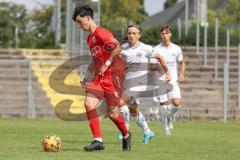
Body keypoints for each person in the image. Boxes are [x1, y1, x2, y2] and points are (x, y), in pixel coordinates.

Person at [72, 5, 131, 151]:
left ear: (89, 18)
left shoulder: (101, 33)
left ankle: (126, 134)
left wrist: (108, 63)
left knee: (112, 113)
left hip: (113, 76)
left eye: (80, 22)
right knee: (89, 103)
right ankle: (98, 141)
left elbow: (117, 47)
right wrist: (86, 76)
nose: (79, 26)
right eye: (77, 23)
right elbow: (95, 60)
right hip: (100, 77)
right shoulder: (90, 39)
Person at [118, 24, 171, 143]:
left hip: (140, 82)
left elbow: (160, 58)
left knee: (120, 102)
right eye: (129, 33)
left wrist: (167, 72)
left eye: (134, 33)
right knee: (133, 111)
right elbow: (120, 65)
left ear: (139, 35)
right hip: (127, 82)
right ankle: (147, 132)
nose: (131, 35)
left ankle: (125, 130)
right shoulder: (124, 50)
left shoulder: (146, 48)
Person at [150, 25, 185, 135]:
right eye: (163, 33)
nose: (165, 35)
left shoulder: (176, 49)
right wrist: (159, 66)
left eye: (167, 33)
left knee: (177, 103)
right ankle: (166, 129)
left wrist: (182, 73)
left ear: (170, 34)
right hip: (160, 81)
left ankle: (170, 116)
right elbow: (151, 66)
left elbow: (182, 62)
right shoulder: (156, 49)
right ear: (161, 35)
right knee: (163, 104)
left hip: (172, 80)